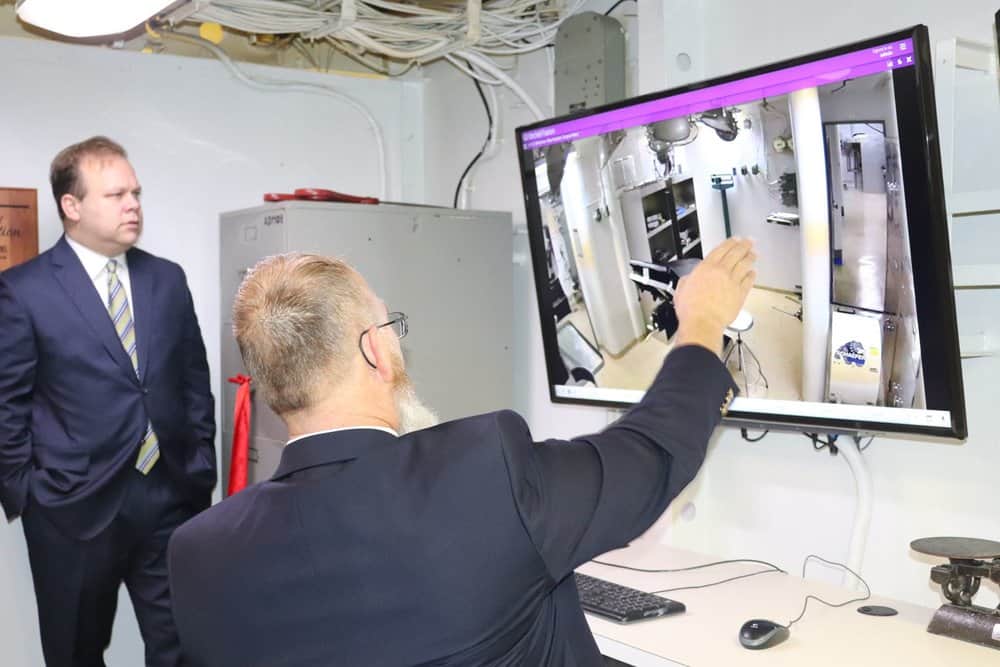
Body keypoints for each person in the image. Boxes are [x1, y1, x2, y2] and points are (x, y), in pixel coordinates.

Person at [167, 238, 755, 666]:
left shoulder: (198, 553)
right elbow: (650, 451)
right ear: (375, 350)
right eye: (390, 327)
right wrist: (702, 321)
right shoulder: (484, 475)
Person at [0, 136, 217, 666]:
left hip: (170, 494)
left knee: (184, 647)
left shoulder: (166, 279)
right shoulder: (23, 291)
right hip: (72, 507)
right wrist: (28, 493)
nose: (132, 205)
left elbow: (193, 380)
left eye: (135, 193)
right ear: (71, 206)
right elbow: (7, 404)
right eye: (116, 195)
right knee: (75, 652)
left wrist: (200, 465)